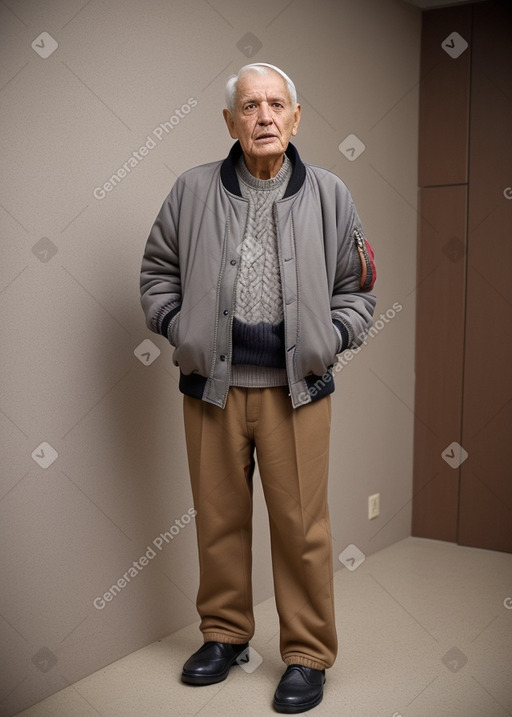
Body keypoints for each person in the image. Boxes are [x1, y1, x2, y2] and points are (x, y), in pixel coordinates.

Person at [140, 62, 376, 714]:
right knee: (218, 521)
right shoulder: (191, 192)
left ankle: (305, 653)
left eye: (276, 104)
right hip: (211, 385)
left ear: (296, 117)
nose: (264, 116)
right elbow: (157, 271)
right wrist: (179, 329)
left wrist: (327, 341)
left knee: (302, 529)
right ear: (230, 121)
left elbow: (358, 290)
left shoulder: (330, 193)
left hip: (296, 390)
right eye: (250, 106)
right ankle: (223, 635)